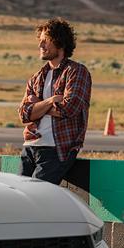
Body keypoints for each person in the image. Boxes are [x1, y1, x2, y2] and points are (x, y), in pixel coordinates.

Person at [17, 18, 92, 185]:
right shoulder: (37, 77)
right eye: (40, 41)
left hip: (56, 149)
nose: (40, 45)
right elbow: (23, 114)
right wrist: (50, 101)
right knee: (19, 197)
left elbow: (68, 109)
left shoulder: (76, 72)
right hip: (29, 146)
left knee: (37, 197)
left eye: (46, 40)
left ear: (60, 42)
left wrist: (37, 106)